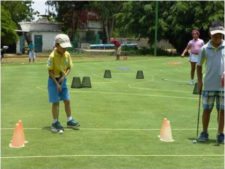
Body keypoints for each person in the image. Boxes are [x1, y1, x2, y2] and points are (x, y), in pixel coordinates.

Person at [197, 21, 225, 144]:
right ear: (210, 34)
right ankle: (204, 132)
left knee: (222, 111)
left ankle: (220, 133)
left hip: (223, 86)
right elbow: (199, 65)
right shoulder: (204, 48)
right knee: (206, 109)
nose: (217, 38)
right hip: (208, 84)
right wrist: (199, 82)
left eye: (220, 35)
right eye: (215, 35)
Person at [47, 33, 80, 133]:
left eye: (66, 47)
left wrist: (64, 77)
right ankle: (55, 122)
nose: (65, 49)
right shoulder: (52, 56)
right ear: (57, 45)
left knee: (67, 100)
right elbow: (50, 71)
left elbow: (69, 67)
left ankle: (69, 120)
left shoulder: (67, 54)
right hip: (53, 81)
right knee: (56, 102)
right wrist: (57, 84)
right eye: (63, 47)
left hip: (62, 79)